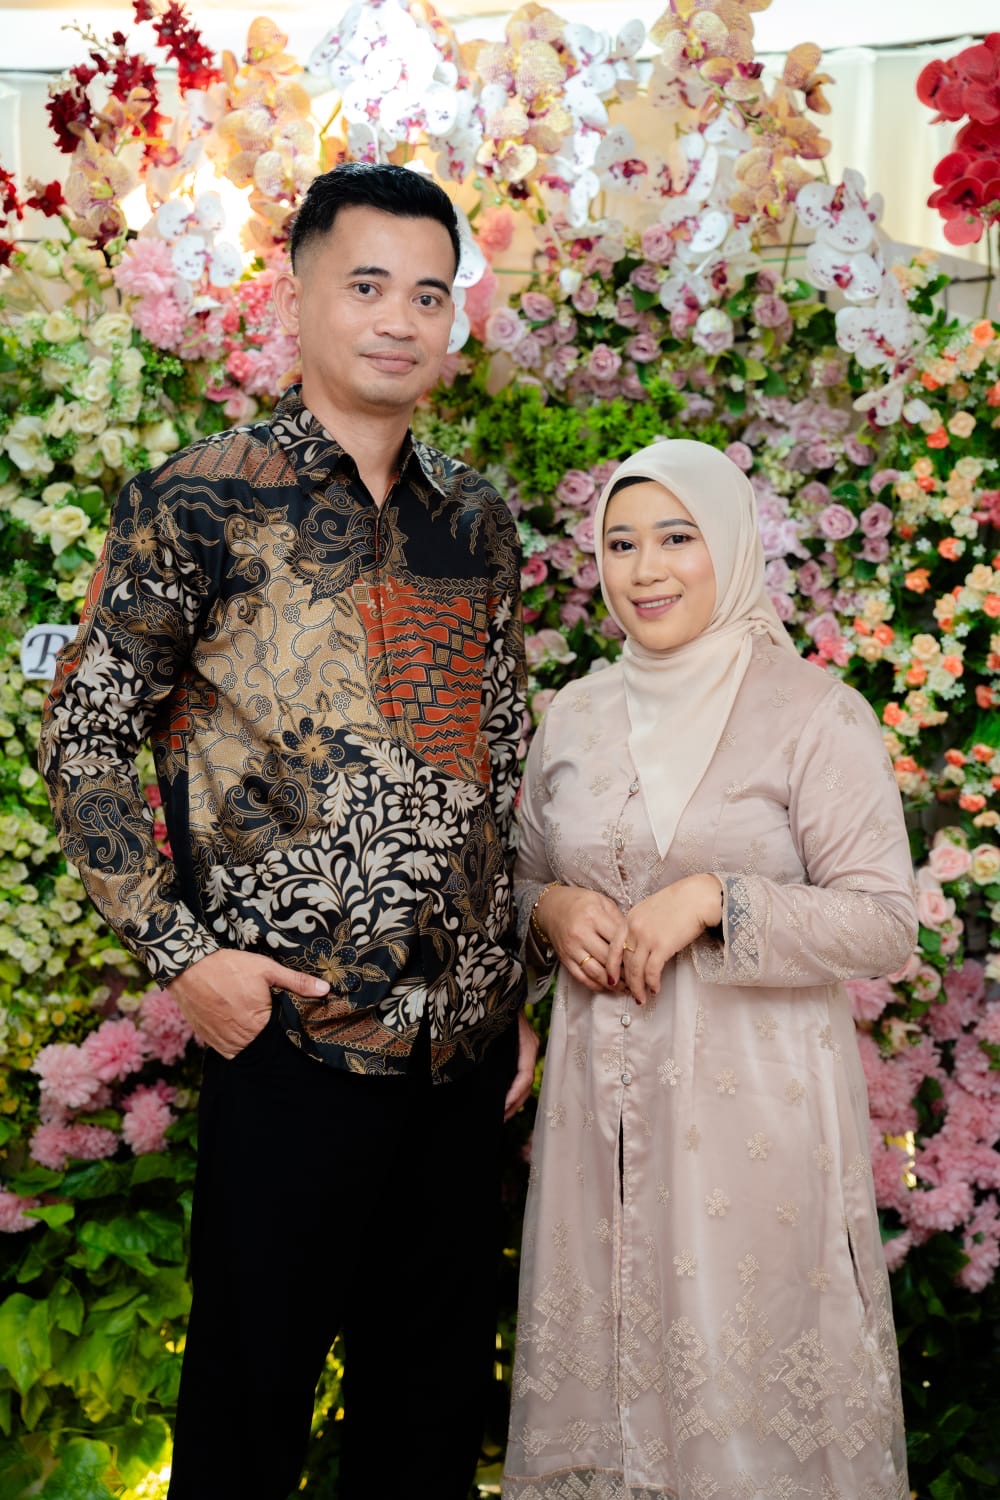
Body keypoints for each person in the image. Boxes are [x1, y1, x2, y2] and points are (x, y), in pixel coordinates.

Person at [40, 162, 538, 1500]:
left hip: (460, 1054)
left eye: (427, 294)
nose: (399, 319)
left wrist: (514, 985)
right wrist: (181, 953)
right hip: (289, 1038)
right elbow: (83, 735)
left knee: (428, 1422)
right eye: (368, 285)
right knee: (248, 1414)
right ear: (299, 295)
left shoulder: (478, 517)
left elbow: (500, 754)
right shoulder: (197, 498)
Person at [502, 439, 916, 1500]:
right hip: (596, 1126)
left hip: (755, 1138)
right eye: (621, 544)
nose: (646, 570)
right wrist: (551, 909)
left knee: (745, 1400)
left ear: (728, 546)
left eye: (676, 538)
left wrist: (714, 900)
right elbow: (519, 876)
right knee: (605, 1408)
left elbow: (884, 925)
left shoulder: (812, 714)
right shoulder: (576, 713)